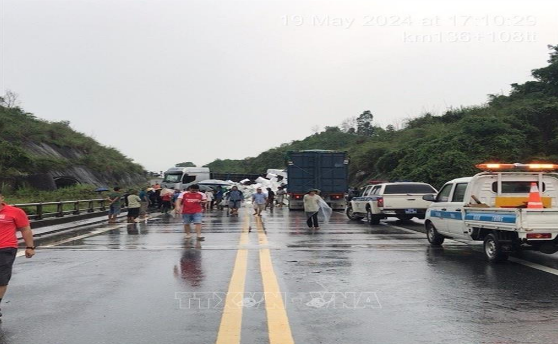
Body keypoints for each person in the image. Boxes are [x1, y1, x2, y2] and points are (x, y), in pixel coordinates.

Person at [0, 190, 35, 319]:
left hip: (5, 248)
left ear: (2, 197)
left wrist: (30, 246)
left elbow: (25, 229)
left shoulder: (15, 212)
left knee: (2, 278)